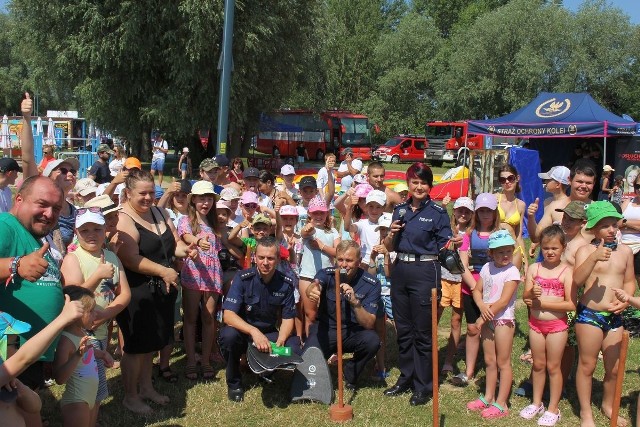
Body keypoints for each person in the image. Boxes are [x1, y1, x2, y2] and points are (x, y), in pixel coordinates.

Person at [115, 168, 196, 414]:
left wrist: (189, 249)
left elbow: (174, 244)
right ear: (128, 193)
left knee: (152, 342)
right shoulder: (123, 218)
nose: (149, 197)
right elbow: (129, 257)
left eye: (152, 192)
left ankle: (147, 387)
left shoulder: (160, 212)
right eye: (143, 193)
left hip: (162, 289)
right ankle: (130, 395)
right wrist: (163, 271)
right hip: (137, 290)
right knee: (135, 346)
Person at [382, 162, 453, 406]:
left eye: (423, 182)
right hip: (400, 269)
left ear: (430, 186)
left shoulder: (437, 212)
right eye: (415, 182)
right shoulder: (399, 210)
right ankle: (406, 377)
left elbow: (446, 245)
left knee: (423, 332)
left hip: (425, 271)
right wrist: (391, 234)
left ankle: (424, 385)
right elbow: (390, 247)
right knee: (403, 329)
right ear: (408, 184)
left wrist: (455, 245)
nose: (419, 186)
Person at [0, 176, 65, 427]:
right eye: (42, 204)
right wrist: (16, 264)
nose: (49, 214)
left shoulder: (34, 236)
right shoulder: (6, 225)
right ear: (19, 199)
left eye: (56, 208)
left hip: (30, 354)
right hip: (11, 354)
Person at [59, 207, 131, 426]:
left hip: (100, 329)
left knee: (97, 384)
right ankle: (81, 417)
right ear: (76, 232)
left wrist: (107, 313)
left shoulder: (110, 256)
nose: (91, 234)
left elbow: (125, 293)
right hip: (80, 334)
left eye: (97, 229)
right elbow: (74, 296)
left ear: (104, 230)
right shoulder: (73, 258)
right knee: (83, 381)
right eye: (85, 230)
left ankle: (92, 418)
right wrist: (98, 275)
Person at [573, 201, 635, 427]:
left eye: (614, 224)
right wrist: (594, 258)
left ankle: (608, 405)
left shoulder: (626, 252)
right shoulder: (585, 250)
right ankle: (586, 412)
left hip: (615, 317)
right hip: (590, 315)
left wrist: (625, 302)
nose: (612, 229)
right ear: (593, 228)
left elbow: (629, 282)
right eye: (605, 225)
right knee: (587, 365)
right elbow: (577, 280)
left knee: (614, 367)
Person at [218, 237, 300, 402]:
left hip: (268, 335)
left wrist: (281, 340)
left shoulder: (286, 283)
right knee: (228, 337)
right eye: (261, 257)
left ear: (278, 259)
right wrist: (253, 331)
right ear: (255, 257)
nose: (265, 262)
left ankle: (266, 370)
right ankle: (234, 382)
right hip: (243, 333)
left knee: (293, 348)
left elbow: (288, 318)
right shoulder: (242, 278)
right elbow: (228, 315)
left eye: (270, 258)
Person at [306, 240, 381, 389]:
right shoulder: (327, 274)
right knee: (308, 361)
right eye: (340, 259)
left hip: (353, 332)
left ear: (359, 261)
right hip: (326, 330)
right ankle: (321, 364)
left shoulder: (371, 283)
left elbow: (369, 323)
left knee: (373, 341)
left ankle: (350, 373)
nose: (343, 264)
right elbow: (314, 286)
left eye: (349, 260)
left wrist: (355, 302)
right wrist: (312, 290)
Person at [519, 225, 574, 426]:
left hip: (557, 326)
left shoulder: (567, 271)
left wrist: (541, 303)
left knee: (553, 366)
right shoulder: (535, 268)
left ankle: (553, 408)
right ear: (540, 247)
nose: (550, 252)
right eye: (546, 248)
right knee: (538, 364)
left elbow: (570, 304)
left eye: (554, 248)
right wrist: (531, 295)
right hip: (535, 325)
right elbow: (525, 297)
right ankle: (536, 403)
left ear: (563, 248)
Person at [0, 297, 84, 427]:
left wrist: (22, 390)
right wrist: (62, 319)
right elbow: (24, 358)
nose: (19, 349)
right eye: (16, 344)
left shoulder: (10, 381)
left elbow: (35, 406)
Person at [466, 230, 520, 419]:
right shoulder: (487, 268)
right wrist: (480, 305)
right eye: (499, 252)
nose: (504, 255)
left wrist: (483, 318)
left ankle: (502, 402)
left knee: (503, 362)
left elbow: (503, 301)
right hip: (488, 319)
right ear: (491, 253)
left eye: (508, 251)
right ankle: (488, 396)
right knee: (490, 360)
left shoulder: (512, 271)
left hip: (503, 320)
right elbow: (477, 290)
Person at [450, 193, 500, 388]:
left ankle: (494, 370)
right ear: (476, 213)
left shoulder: (502, 232)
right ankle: (469, 371)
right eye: (481, 211)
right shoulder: (469, 234)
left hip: (495, 286)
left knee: (493, 329)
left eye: (489, 210)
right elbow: (462, 264)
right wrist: (474, 287)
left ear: (495, 212)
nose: (485, 214)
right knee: (472, 328)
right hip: (471, 285)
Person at [177, 181, 223, 381]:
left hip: (213, 275)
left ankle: (205, 360)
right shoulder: (186, 220)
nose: (206, 203)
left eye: (209, 198)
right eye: (201, 198)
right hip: (193, 274)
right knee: (190, 318)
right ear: (193, 200)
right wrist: (197, 241)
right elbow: (186, 236)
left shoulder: (215, 224)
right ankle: (190, 361)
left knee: (208, 317)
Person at [52, 286, 114, 427]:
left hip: (88, 398)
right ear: (75, 314)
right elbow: (60, 378)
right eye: (90, 311)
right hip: (76, 401)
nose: (95, 314)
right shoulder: (66, 341)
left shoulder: (81, 332)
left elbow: (88, 353)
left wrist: (102, 354)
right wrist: (77, 355)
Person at [438, 196, 474, 377]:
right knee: (434, 319)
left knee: (456, 321)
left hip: (460, 283)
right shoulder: (446, 230)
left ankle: (448, 360)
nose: (463, 214)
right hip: (443, 280)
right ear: (454, 211)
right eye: (460, 210)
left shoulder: (471, 234)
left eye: (467, 211)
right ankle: (430, 355)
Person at [298, 196, 340, 338]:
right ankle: (310, 345)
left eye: (321, 212)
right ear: (309, 213)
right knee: (311, 314)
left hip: (327, 277)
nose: (318, 216)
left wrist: (321, 246)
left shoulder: (333, 232)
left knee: (327, 313)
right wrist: (308, 228)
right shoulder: (309, 229)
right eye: (315, 213)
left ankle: (327, 343)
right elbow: (304, 232)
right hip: (308, 276)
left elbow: (338, 252)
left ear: (327, 213)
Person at [495, 165, 526, 270]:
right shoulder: (495, 199)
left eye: (510, 178)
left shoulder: (521, 205)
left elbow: (519, 236)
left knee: (512, 283)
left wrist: (525, 261)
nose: (507, 182)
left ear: (517, 178)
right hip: (496, 248)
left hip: (514, 249)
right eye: (503, 180)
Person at [620, 174, 640, 282]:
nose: (639, 189)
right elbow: (617, 222)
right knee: (622, 280)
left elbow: (622, 222)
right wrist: (636, 225)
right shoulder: (628, 202)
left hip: (639, 246)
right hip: (622, 245)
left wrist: (626, 223)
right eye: (637, 186)